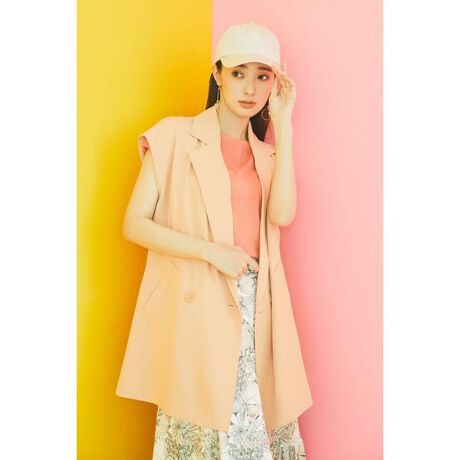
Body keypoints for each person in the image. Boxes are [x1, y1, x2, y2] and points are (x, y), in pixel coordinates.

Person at [116, 21, 313, 459]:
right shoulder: (173, 136)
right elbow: (134, 224)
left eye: (263, 76)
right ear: (217, 73)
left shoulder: (269, 154)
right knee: (202, 428)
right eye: (238, 73)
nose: (250, 88)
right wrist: (211, 252)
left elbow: (282, 215)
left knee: (251, 432)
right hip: (197, 299)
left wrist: (283, 124)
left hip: (256, 311)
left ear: (275, 84)